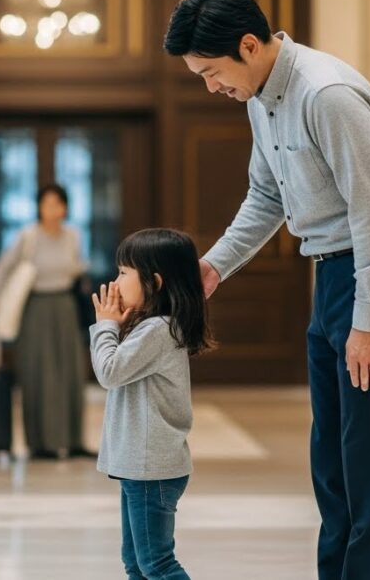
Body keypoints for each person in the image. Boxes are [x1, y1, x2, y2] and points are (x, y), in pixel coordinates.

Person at [164, 0, 370, 580]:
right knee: (332, 462)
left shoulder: (325, 94)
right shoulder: (262, 98)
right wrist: (213, 266)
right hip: (333, 275)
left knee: (369, 463)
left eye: (211, 73)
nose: (211, 88)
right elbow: (265, 197)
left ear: (250, 45)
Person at [90, 228, 212, 580]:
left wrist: (105, 327)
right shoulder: (150, 326)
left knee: (156, 564)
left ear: (154, 282)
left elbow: (109, 371)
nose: (115, 282)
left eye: (124, 273)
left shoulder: (158, 329)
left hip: (150, 469)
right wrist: (118, 327)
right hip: (142, 468)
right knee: (137, 563)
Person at [0, 184, 93, 460]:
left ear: (65, 207)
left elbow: (79, 269)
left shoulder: (73, 236)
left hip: (65, 307)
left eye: (58, 204)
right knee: (39, 374)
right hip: (36, 308)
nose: (52, 209)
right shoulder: (28, 236)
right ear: (39, 207)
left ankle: (74, 441)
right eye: (47, 204)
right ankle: (40, 443)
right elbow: (4, 267)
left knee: (71, 373)